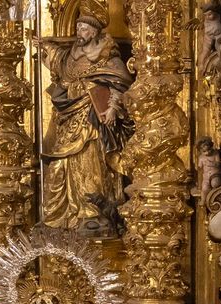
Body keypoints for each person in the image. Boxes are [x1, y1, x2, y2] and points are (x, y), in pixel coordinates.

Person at [36, 14, 133, 235]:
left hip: (92, 123)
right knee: (60, 167)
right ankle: (60, 216)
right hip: (68, 119)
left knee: (90, 166)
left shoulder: (107, 57)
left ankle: (92, 215)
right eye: (78, 28)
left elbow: (119, 82)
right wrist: (46, 50)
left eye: (85, 29)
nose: (80, 33)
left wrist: (112, 108)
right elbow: (59, 67)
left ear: (95, 31)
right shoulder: (72, 55)